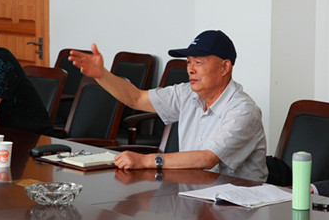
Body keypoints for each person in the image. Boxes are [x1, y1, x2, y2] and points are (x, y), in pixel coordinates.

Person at [69, 30, 268, 181]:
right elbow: (136, 98)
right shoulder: (187, 93)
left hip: (238, 207)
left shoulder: (243, 110)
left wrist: (146, 160)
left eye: (198, 62)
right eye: (188, 62)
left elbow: (208, 159)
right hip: (195, 194)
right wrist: (101, 75)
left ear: (224, 67)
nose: (190, 69)